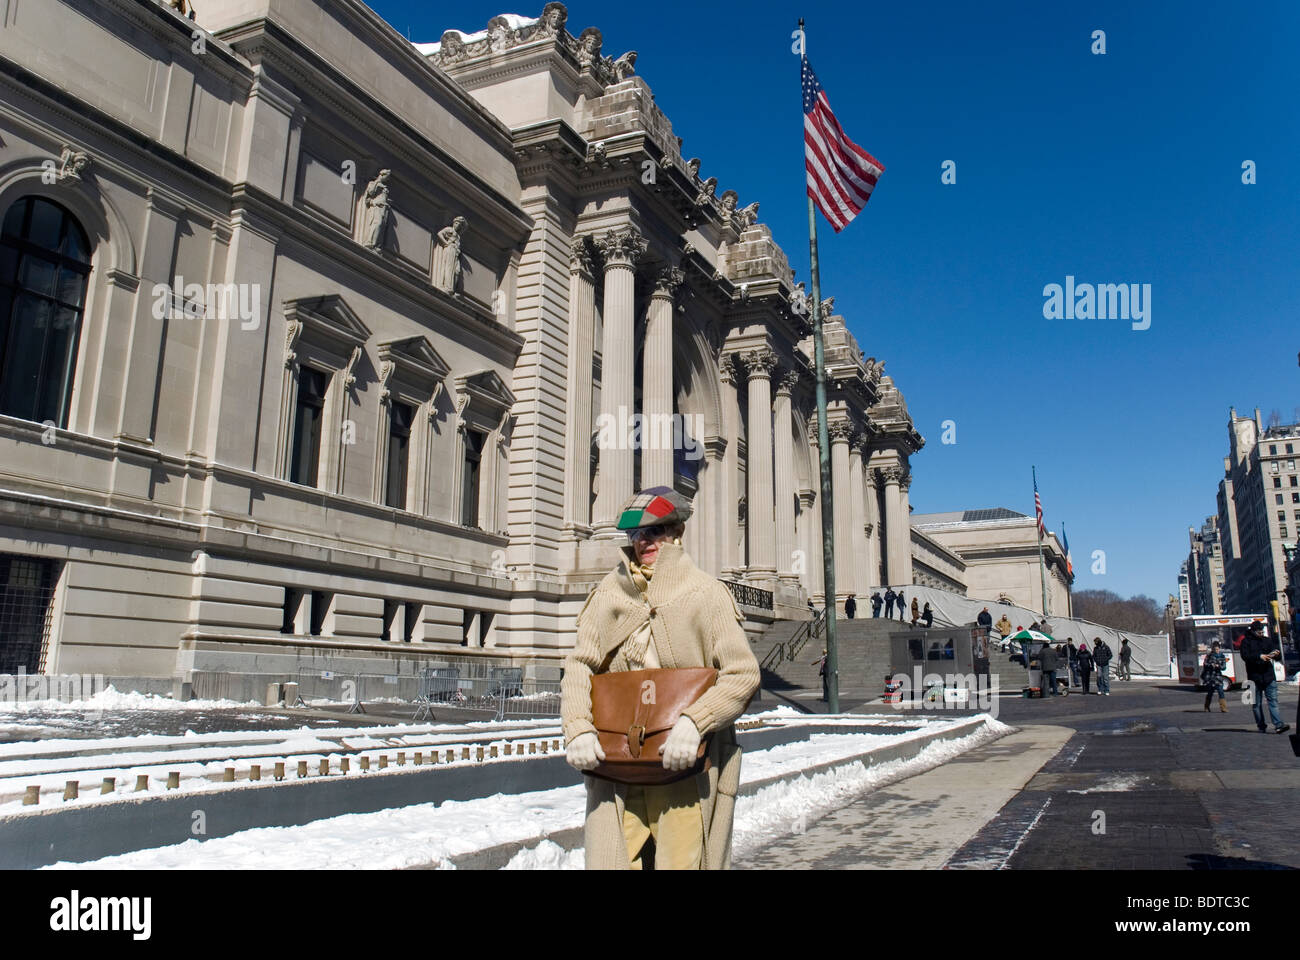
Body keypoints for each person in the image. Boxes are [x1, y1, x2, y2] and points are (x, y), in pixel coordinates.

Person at [561, 486, 761, 869]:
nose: (643, 542)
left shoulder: (707, 593)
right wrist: (578, 727)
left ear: (676, 533)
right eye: (636, 535)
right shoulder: (607, 594)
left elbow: (742, 673)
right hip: (618, 767)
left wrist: (695, 721)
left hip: (683, 770)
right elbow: (579, 665)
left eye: (655, 531)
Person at [1239, 620, 1290, 734]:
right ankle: (1261, 725)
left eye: (1262, 632)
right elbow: (1245, 656)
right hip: (1253, 677)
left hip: (1268, 675)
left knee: (1273, 701)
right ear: (1253, 631)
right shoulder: (1245, 642)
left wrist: (1276, 654)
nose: (1261, 634)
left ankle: (1278, 725)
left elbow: (1276, 655)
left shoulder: (1267, 640)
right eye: (1259, 632)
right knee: (1256, 704)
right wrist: (1259, 656)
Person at [1201, 640, 1228, 713]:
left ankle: (1223, 708)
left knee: (1221, 692)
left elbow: (1224, 667)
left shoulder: (1222, 656)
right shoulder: (1209, 656)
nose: (1216, 651)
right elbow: (1205, 664)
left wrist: (1218, 666)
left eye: (1217, 649)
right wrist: (1210, 665)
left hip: (1218, 677)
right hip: (1210, 677)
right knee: (1210, 692)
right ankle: (1206, 707)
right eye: (1215, 649)